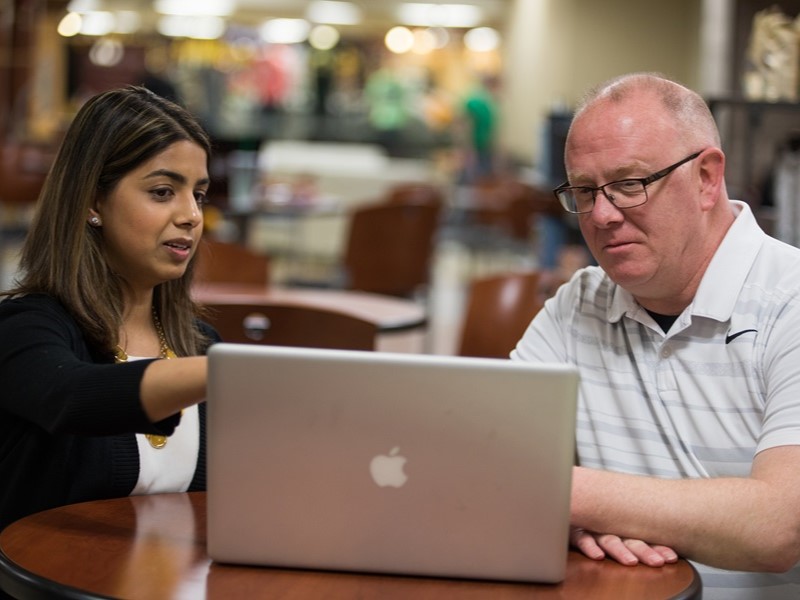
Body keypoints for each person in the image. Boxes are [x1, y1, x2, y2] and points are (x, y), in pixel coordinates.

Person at [511, 72, 800, 599]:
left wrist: (562, 497)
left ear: (707, 178)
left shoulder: (791, 303)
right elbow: (486, 461)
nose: (601, 214)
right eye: (582, 190)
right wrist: (562, 518)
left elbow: (778, 527)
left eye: (629, 183)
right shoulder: (578, 303)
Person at [0, 86, 217, 537]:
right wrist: (231, 373)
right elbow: (72, 396)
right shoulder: (25, 329)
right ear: (91, 202)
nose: (191, 215)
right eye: (162, 192)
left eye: (198, 194)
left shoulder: (200, 344)